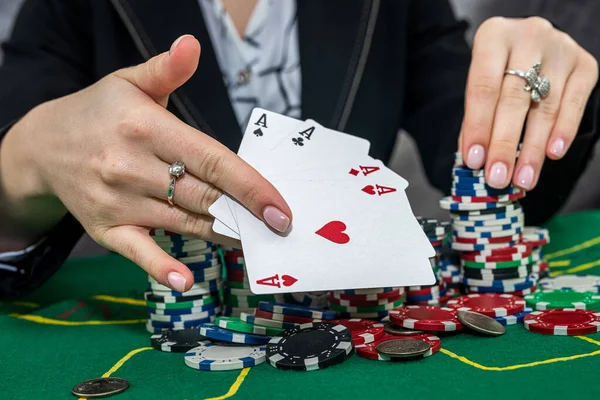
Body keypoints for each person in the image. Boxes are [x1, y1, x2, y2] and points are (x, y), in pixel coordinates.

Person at [0, 0, 598, 297]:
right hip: (171, 301)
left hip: (355, 313)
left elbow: (495, 176)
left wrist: (541, 95)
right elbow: (15, 146)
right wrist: (27, 159)